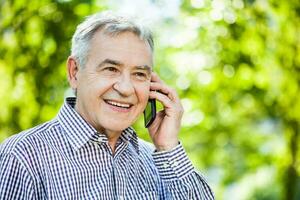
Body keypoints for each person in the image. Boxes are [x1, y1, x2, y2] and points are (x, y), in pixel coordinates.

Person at [0, 11, 214, 199]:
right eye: (111, 69)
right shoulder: (22, 157)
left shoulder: (158, 162)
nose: (126, 88)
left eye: (139, 74)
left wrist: (168, 148)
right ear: (74, 72)